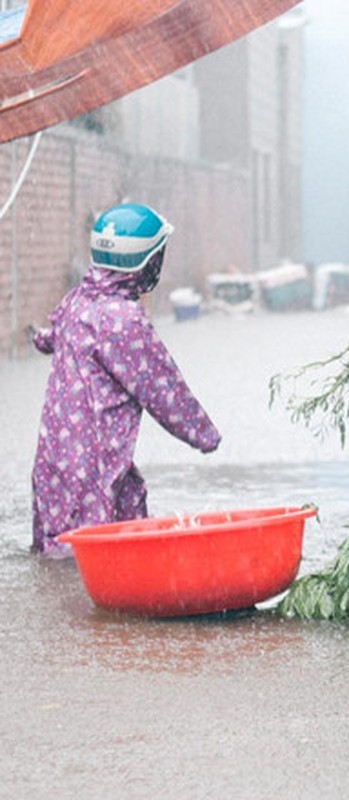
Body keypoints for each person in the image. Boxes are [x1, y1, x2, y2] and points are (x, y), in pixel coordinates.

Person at [30, 202, 221, 556]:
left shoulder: (77, 301)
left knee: (59, 551)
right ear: (146, 262)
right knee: (102, 557)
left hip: (53, 459)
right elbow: (164, 389)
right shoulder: (124, 322)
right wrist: (204, 434)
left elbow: (50, 335)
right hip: (96, 467)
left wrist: (39, 338)